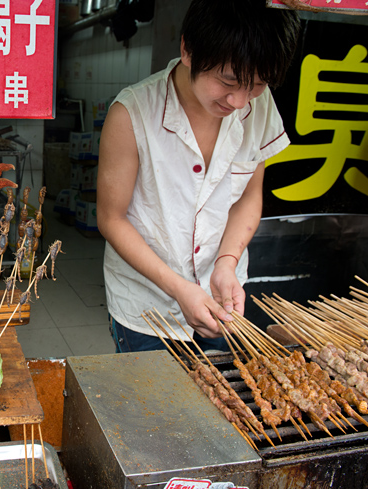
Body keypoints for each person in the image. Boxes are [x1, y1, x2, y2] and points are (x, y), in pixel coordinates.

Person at [97, 0, 301, 353]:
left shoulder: (259, 105)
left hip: (223, 295)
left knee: (220, 401)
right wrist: (179, 288)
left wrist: (227, 263)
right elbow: (111, 219)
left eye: (255, 85)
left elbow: (249, 198)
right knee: (153, 407)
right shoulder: (131, 115)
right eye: (228, 81)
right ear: (188, 49)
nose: (239, 101)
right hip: (147, 307)